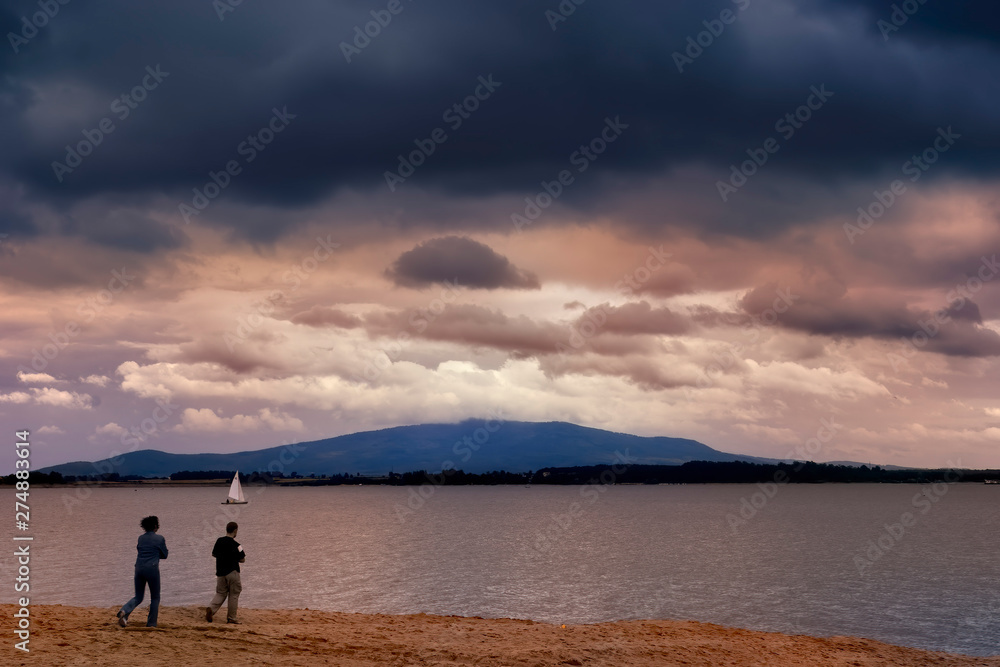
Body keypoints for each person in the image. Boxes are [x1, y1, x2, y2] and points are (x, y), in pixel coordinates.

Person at [117, 515, 168, 628]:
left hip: (139, 568)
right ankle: (151, 623)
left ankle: (124, 611)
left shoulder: (141, 538)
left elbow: (140, 550)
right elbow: (165, 555)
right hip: (152, 569)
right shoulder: (160, 538)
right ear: (156, 526)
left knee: (138, 597)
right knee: (155, 597)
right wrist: (156, 554)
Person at [205, 521, 246, 624]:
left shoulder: (219, 541)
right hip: (233, 572)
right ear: (235, 530)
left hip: (220, 572)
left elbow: (214, 554)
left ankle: (211, 609)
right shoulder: (237, 545)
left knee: (220, 593)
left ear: (226, 529)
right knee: (234, 594)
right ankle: (232, 617)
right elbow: (243, 559)